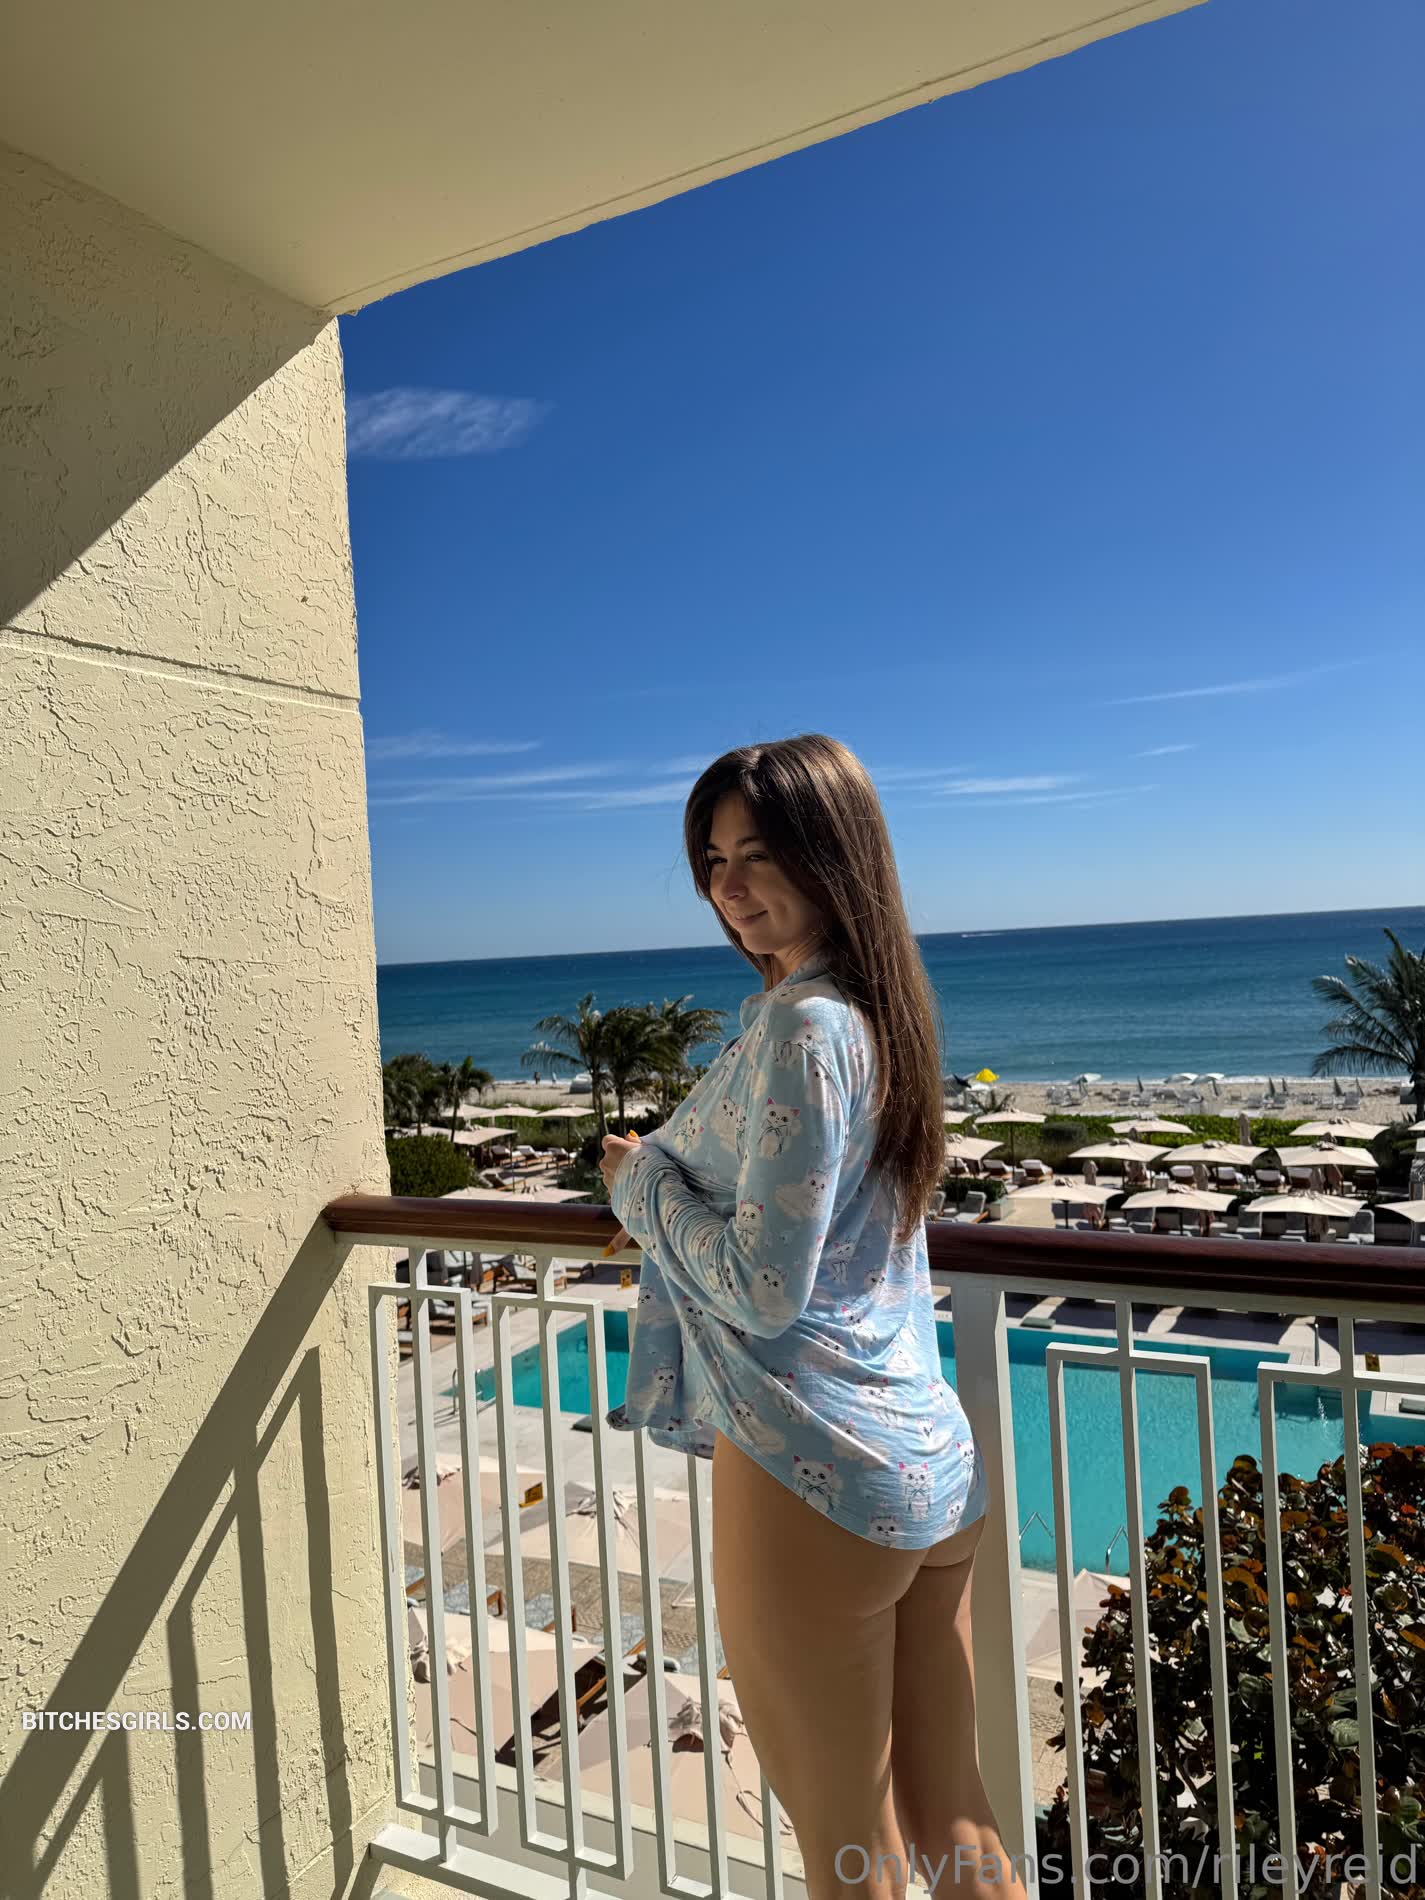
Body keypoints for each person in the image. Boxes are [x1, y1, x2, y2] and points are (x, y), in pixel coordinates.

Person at [598, 735, 1021, 1900]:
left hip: (811, 1466)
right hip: (928, 1464)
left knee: (848, 1852)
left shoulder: (803, 1028)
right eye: (712, 859)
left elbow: (761, 1289)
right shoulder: (880, 1014)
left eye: (760, 852)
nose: (730, 886)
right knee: (955, 1817)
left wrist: (639, 1185)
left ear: (834, 855)